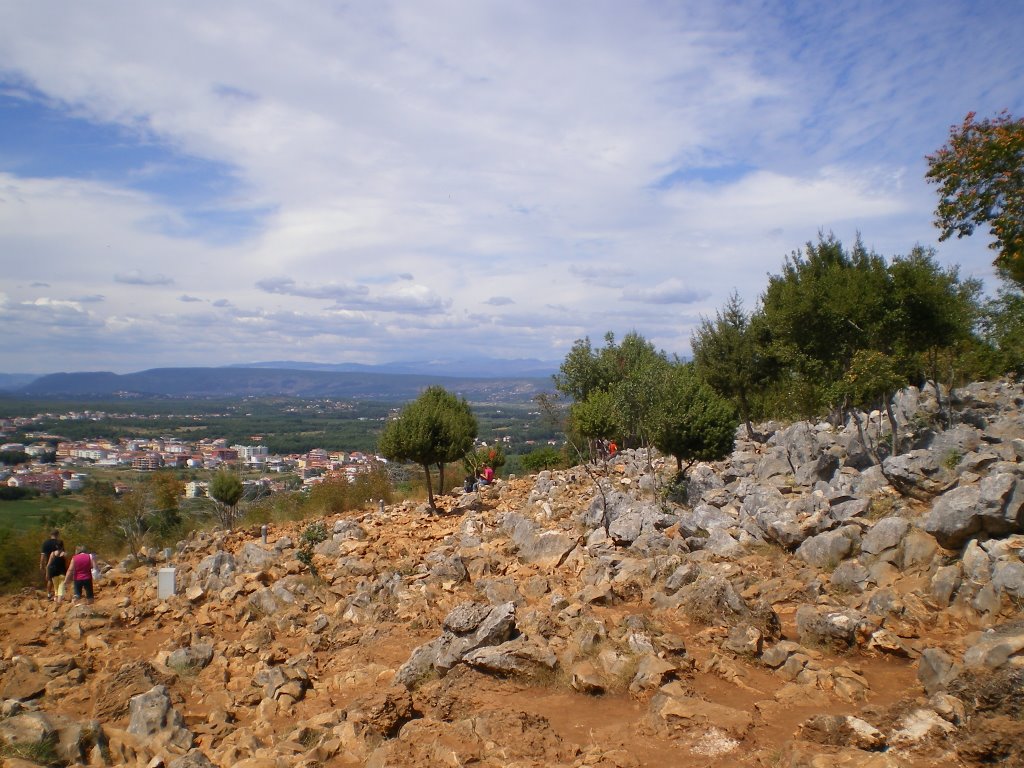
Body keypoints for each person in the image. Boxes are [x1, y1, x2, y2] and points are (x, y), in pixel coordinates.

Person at [40, 531, 62, 599]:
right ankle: (57, 595)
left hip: (49, 564)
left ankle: (49, 594)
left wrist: (41, 564)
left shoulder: (45, 543)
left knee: (50, 580)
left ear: (50, 534)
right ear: (57, 535)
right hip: (58, 563)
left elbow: (43, 555)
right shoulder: (59, 543)